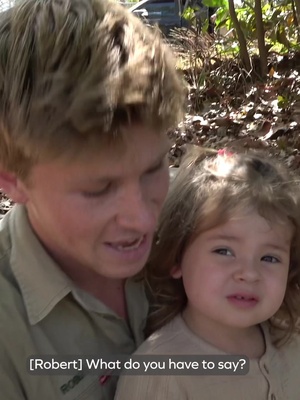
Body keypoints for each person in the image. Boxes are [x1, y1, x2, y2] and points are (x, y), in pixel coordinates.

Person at [0, 0, 185, 399]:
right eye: (98, 189)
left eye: (154, 168)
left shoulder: (200, 220)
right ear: (11, 180)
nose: (142, 219)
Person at [115, 148, 300, 400]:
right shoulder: (159, 373)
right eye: (224, 251)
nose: (249, 273)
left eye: (270, 258)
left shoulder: (290, 341)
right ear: (177, 257)